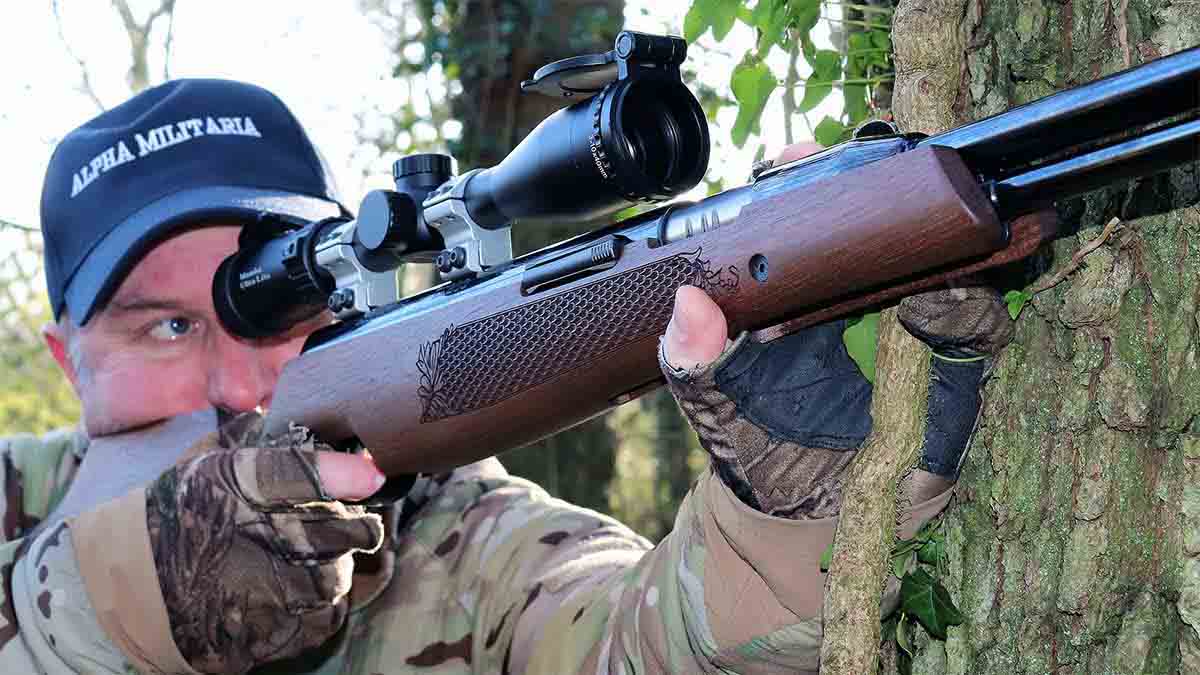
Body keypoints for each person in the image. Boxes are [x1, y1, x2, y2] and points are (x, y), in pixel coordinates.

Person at [0, 78, 1011, 674]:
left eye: (272, 310)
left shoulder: (455, 535)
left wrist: (793, 517)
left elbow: (637, 645)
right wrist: (120, 601)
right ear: (65, 359)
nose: (233, 384)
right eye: (167, 327)